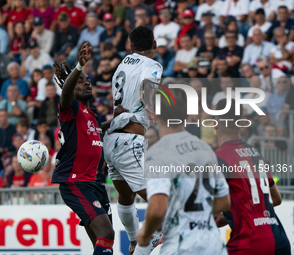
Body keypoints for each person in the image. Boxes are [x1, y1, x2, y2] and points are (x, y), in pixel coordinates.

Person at [136, 88, 230, 255]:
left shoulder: (157, 153)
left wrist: (144, 235)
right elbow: (224, 202)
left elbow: (158, 209)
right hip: (214, 245)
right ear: (187, 114)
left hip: (182, 247)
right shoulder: (205, 148)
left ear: (156, 114)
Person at [103, 26, 163, 255]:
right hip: (129, 141)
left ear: (130, 47)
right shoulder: (152, 64)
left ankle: (133, 240)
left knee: (126, 197)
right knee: (160, 201)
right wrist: (151, 108)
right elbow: (149, 86)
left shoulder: (122, 64)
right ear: (154, 44)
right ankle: (150, 238)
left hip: (112, 141)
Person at [52, 44, 115, 254]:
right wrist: (79, 66)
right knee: (107, 233)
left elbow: (97, 131)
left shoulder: (90, 113)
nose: (87, 84)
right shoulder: (70, 108)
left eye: (88, 81)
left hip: (95, 182)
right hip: (76, 181)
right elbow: (66, 91)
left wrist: (120, 119)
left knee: (104, 242)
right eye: (81, 81)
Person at [214, 99, 291, 255]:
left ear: (215, 124)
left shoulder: (218, 158)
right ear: (242, 123)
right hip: (280, 242)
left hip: (249, 244)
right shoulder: (255, 153)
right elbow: (276, 198)